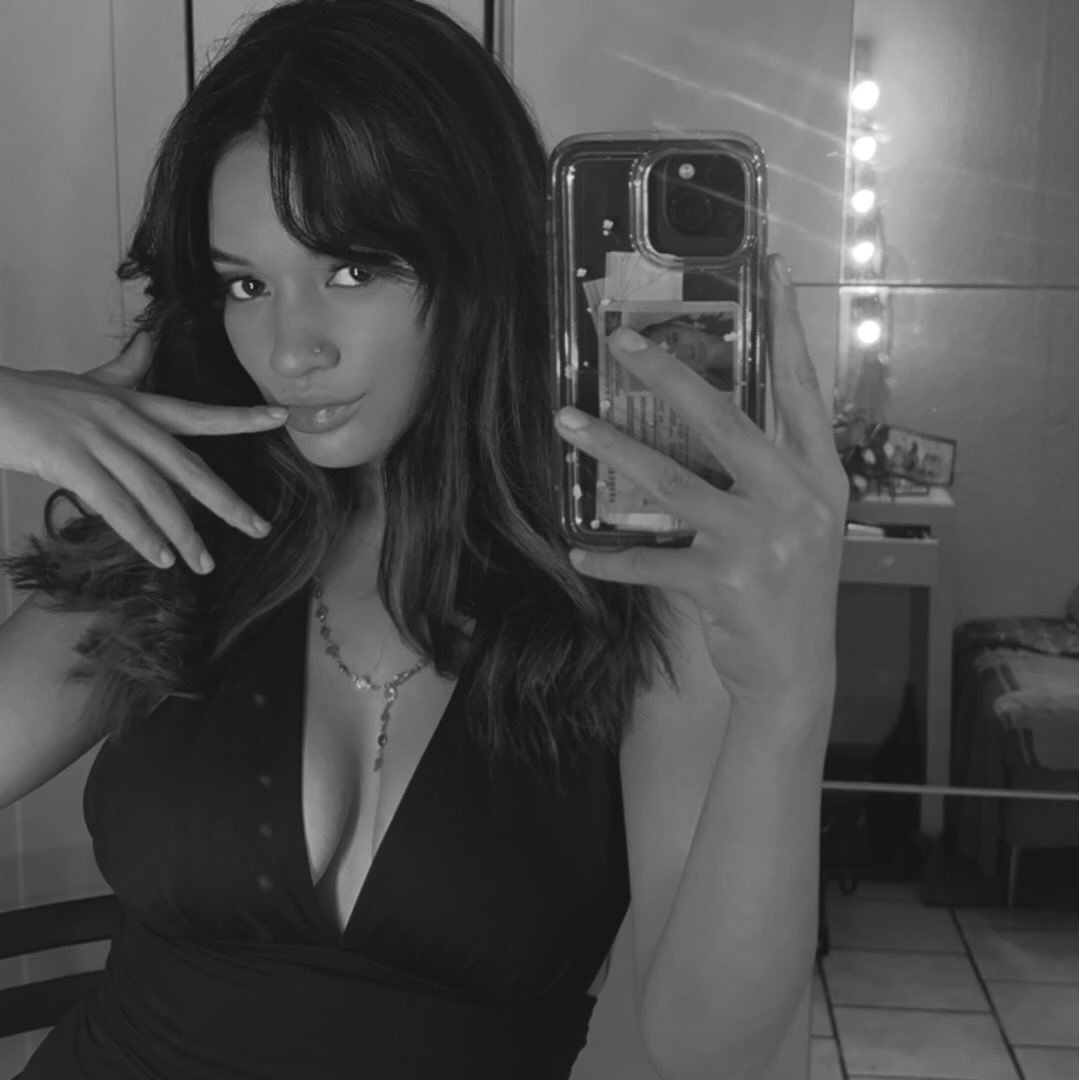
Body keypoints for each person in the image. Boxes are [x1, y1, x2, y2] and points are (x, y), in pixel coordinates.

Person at [0, 1, 848, 1077]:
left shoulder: (640, 572)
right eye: (245, 284)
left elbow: (708, 1051)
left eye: (353, 270)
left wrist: (789, 696)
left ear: (478, 259)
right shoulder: (171, 529)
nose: (290, 350)